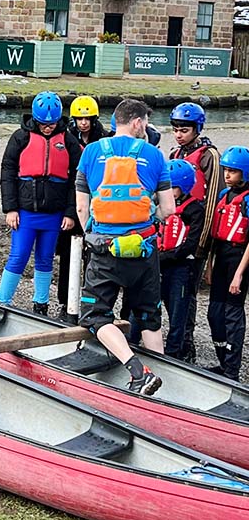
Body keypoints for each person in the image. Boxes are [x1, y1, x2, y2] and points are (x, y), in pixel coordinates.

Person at [76, 98, 175, 395]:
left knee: (95, 316)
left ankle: (137, 372)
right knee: (149, 317)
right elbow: (168, 209)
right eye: (145, 122)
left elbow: (81, 208)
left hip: (106, 249)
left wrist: (94, 235)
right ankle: (167, 387)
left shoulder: (91, 152)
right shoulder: (155, 155)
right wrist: (149, 219)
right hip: (144, 249)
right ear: (137, 122)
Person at [0, 91, 81, 314]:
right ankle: (1, 302)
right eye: (43, 124)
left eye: (52, 124)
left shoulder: (69, 141)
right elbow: (7, 172)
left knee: (46, 259)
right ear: (35, 119)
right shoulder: (20, 137)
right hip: (25, 212)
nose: (48, 128)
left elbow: (77, 179)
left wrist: (70, 213)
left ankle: (41, 304)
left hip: (54, 213)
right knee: (18, 256)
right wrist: (10, 209)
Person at [169, 102, 221, 363]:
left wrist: (203, 242)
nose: (179, 134)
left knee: (188, 291)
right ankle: (177, 338)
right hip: (175, 236)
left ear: (197, 129)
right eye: (176, 129)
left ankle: (186, 343)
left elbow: (213, 198)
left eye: (184, 130)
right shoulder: (175, 153)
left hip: (196, 233)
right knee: (173, 289)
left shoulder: (208, 155)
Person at [56, 96, 106, 320]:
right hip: (71, 201)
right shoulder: (67, 139)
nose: (83, 123)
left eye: (87, 119)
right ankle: (66, 302)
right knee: (67, 257)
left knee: (95, 260)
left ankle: (91, 303)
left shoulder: (104, 139)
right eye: (79, 119)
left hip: (96, 203)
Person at [153, 159, 205, 360]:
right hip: (158, 265)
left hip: (180, 267)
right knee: (149, 306)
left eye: (172, 187)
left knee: (178, 312)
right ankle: (139, 340)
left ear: (183, 187)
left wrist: (164, 257)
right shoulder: (158, 206)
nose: (167, 191)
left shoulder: (195, 210)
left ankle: (175, 351)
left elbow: (190, 244)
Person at [205, 146, 249, 380]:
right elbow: (215, 233)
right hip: (222, 256)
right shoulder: (224, 195)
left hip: (239, 258)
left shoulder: (247, 200)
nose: (227, 175)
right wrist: (209, 265)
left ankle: (232, 371)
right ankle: (222, 361)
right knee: (214, 313)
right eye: (226, 170)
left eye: (233, 171)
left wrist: (239, 275)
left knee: (232, 314)